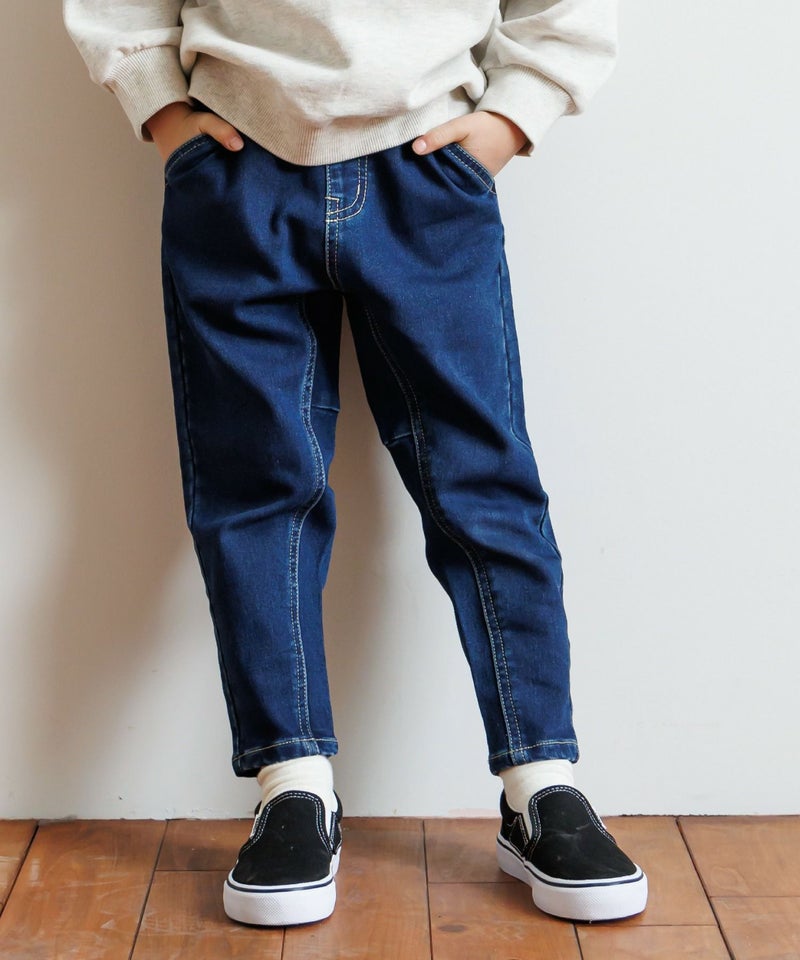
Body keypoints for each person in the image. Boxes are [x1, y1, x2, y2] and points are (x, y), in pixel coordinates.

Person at [64, 0, 647, 928]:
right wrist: (165, 112)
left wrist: (511, 117)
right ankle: (292, 785)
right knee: (257, 487)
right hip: (237, 165)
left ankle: (541, 783)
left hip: (428, 168)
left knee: (483, 486)